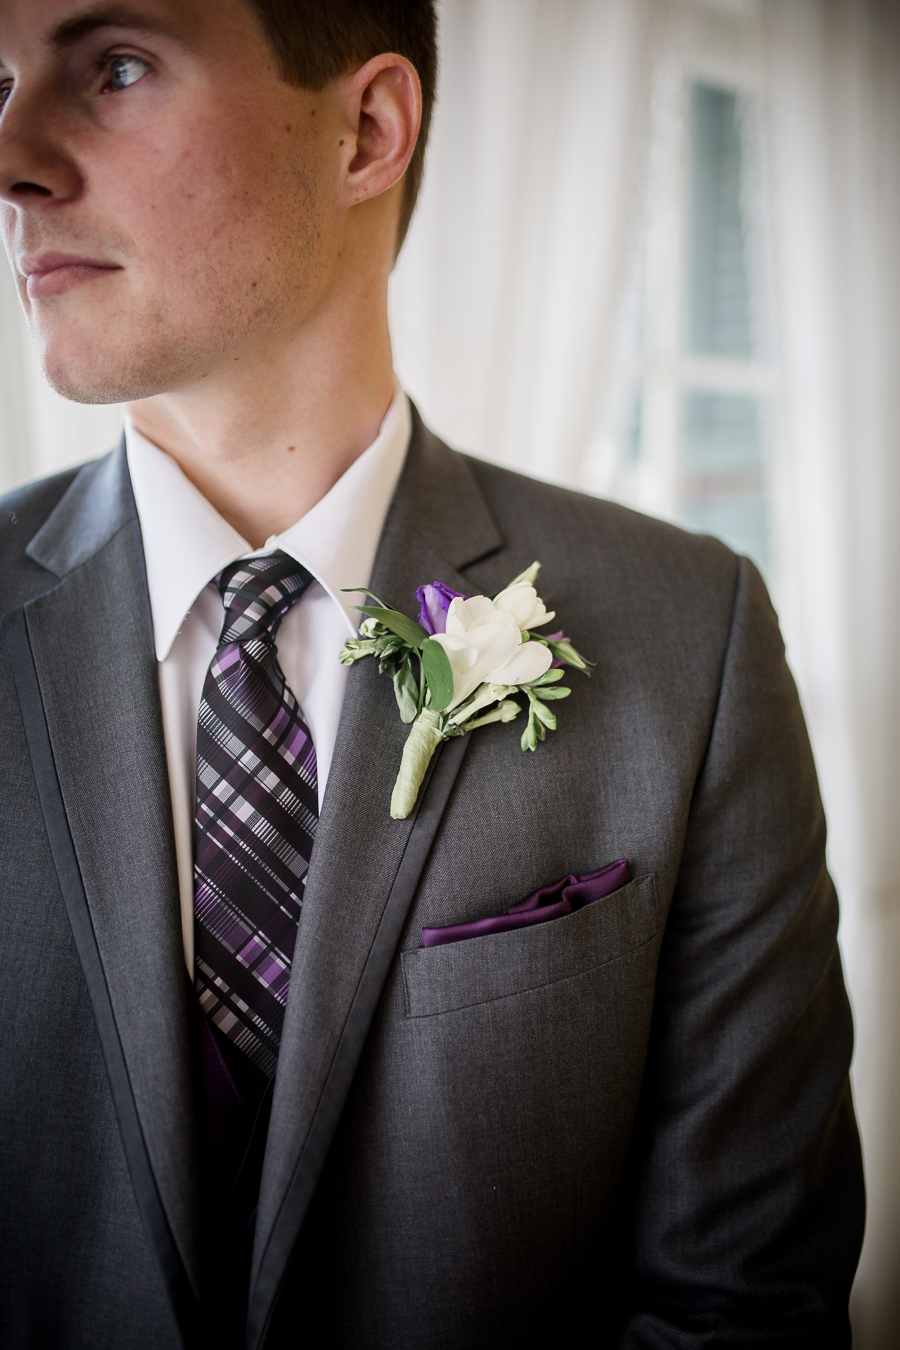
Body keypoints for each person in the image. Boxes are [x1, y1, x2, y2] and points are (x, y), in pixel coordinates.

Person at [0, 2, 864, 1347]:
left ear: (368, 129)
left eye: (113, 67)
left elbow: (741, 1303)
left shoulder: (692, 638)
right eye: (0, 80)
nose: (13, 154)